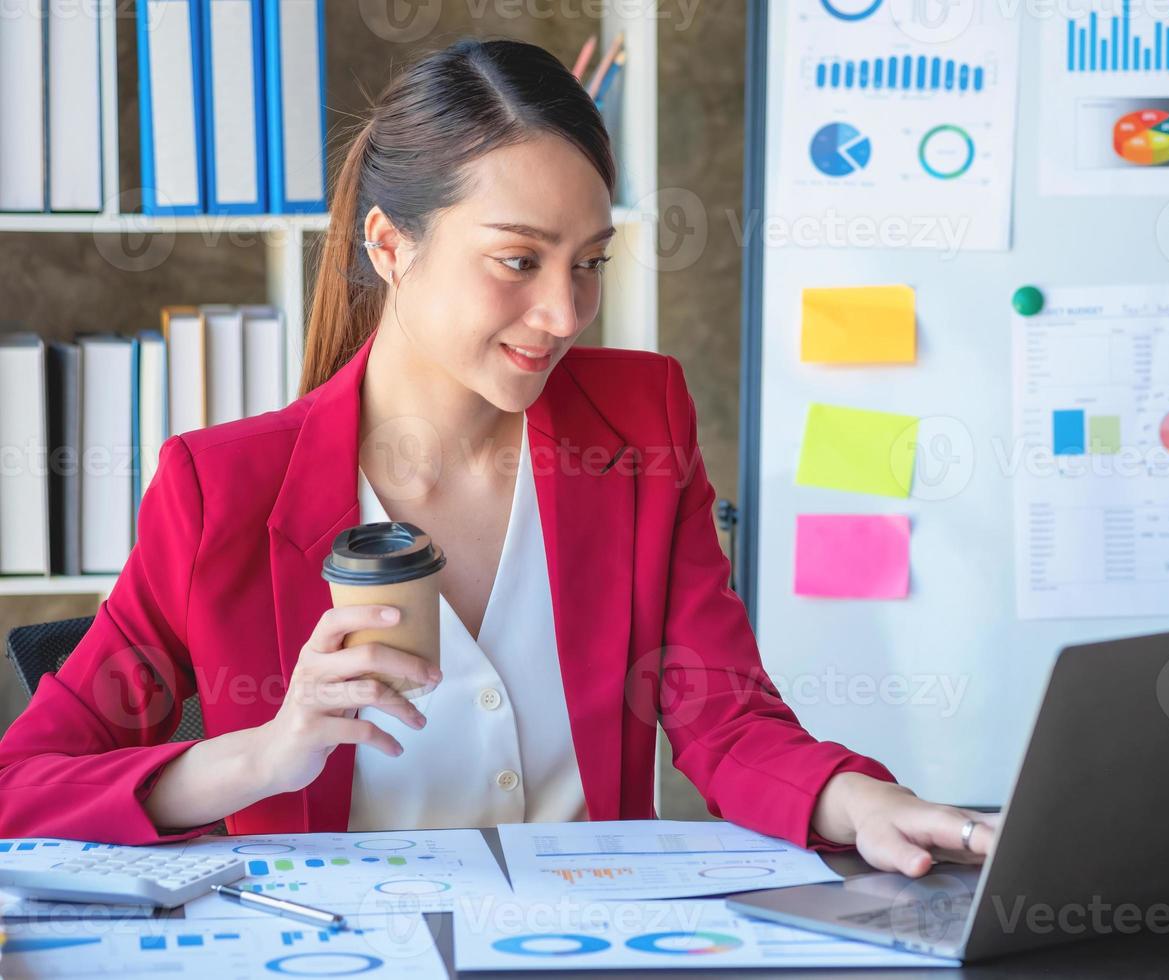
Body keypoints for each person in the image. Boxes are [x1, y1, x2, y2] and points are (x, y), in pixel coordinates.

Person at [0, 38, 995, 878]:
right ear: (392, 246)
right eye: (519, 261)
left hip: (597, 949)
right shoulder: (221, 490)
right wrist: (262, 753)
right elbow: (23, 784)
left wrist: (852, 795)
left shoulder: (640, 426)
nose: (564, 313)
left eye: (589, 261)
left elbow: (722, 715)